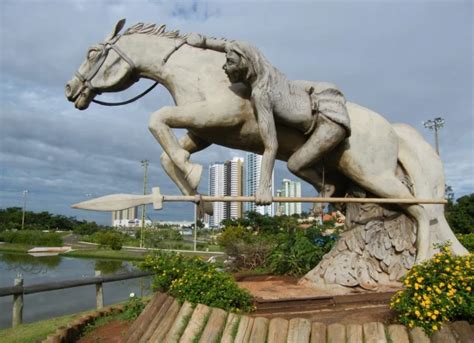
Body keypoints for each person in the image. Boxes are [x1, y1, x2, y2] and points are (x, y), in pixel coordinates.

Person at [186, 33, 350, 204]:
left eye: (230, 63)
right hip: (320, 97)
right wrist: (204, 42)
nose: (224, 67)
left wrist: (264, 187)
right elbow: (229, 45)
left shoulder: (261, 94)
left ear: (245, 65)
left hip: (328, 124)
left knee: (295, 164)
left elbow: (271, 146)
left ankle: (325, 187)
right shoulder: (266, 69)